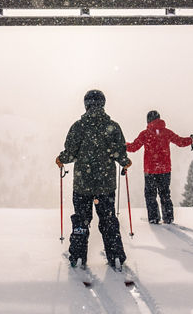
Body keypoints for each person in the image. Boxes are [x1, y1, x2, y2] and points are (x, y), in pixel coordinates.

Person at [56, 89, 132, 268]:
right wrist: (125, 162)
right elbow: (120, 152)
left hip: (83, 184)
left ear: (86, 104)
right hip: (106, 185)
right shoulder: (112, 126)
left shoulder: (78, 126)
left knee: (82, 219)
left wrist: (60, 159)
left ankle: (78, 255)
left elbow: (70, 152)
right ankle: (116, 256)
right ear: (103, 104)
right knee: (108, 219)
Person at [126, 110, 193, 225]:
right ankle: (168, 218)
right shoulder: (167, 132)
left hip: (150, 171)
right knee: (165, 194)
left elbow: (133, 147)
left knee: (150, 195)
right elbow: (180, 142)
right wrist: (191, 140)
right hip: (165, 170)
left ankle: (154, 218)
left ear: (148, 120)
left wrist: (122, 145)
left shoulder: (145, 133)